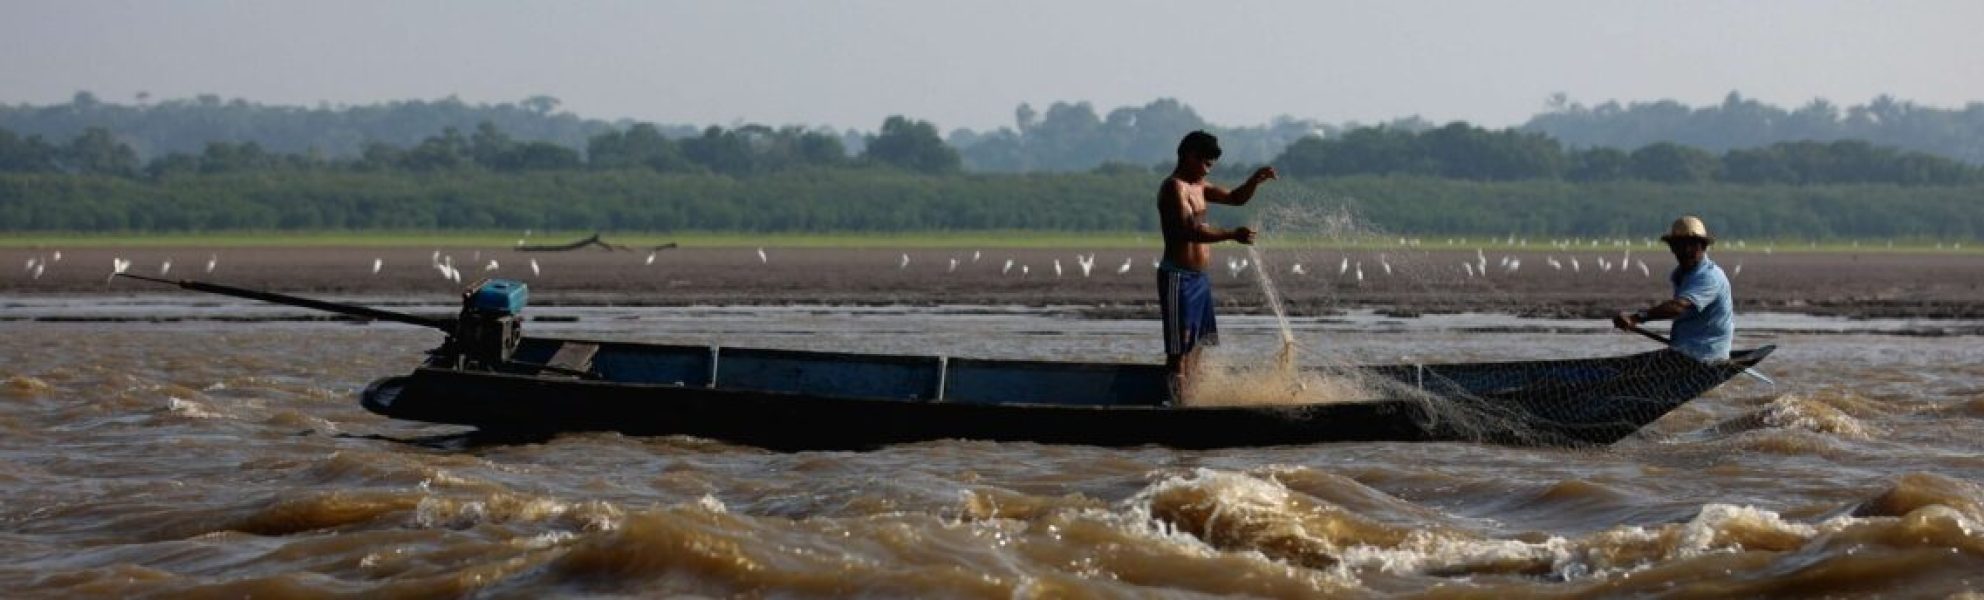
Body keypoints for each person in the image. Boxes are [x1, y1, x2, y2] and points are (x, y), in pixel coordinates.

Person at [1157, 130, 1277, 400]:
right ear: (1189, 156)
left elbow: (1236, 198)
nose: (1207, 171)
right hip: (1178, 277)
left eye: (1211, 166)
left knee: (1197, 347)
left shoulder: (1200, 187)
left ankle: (1191, 401)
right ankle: (1176, 406)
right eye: (1205, 164)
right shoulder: (1174, 187)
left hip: (1199, 280)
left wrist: (1254, 181)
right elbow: (1189, 231)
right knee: (1178, 352)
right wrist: (1232, 235)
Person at [1612, 216, 1735, 361]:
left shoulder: (1710, 277)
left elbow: (1677, 307)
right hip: (1684, 349)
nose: (1686, 251)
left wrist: (1636, 318)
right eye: (1680, 246)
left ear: (1702, 246)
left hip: (1705, 355)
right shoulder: (1682, 274)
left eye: (1692, 245)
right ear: (1672, 248)